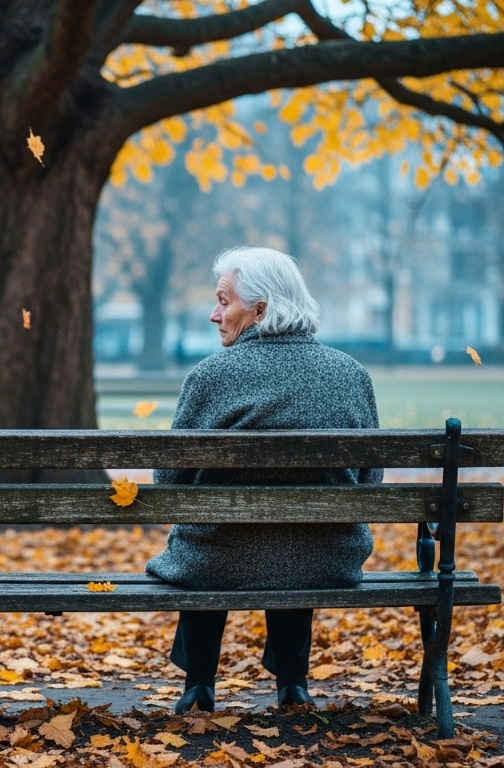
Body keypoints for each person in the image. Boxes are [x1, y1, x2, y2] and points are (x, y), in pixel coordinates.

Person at [147, 246, 382, 715]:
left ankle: (198, 686)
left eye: (223, 301)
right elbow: (369, 480)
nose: (214, 314)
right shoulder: (351, 374)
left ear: (260, 309)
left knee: (208, 541)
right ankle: (292, 684)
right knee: (293, 544)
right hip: (326, 559)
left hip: (216, 561)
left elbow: (169, 481)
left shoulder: (210, 375)